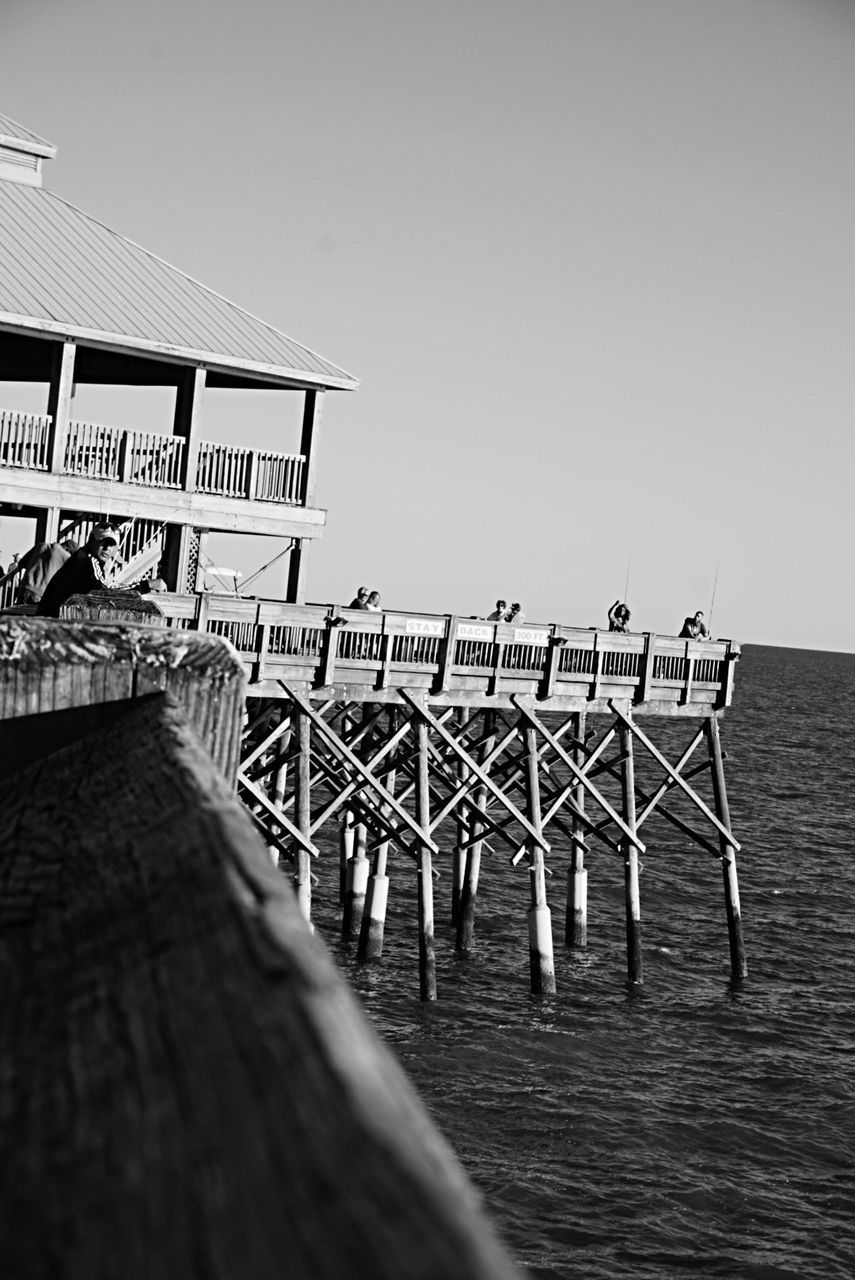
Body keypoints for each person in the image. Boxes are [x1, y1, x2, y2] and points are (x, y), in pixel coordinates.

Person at [37, 525, 121, 617]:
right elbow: (101, 590)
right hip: (55, 619)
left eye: (112, 545)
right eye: (103, 542)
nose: (107, 548)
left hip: (51, 616)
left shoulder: (81, 555)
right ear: (91, 541)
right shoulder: (88, 560)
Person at [17, 538, 80, 606]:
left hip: (25, 588)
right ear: (68, 550)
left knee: (18, 614)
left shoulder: (41, 545)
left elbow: (21, 563)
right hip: (41, 594)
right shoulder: (66, 557)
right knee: (34, 616)